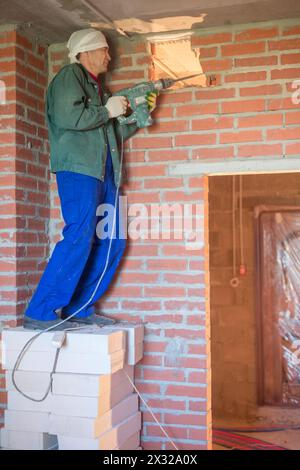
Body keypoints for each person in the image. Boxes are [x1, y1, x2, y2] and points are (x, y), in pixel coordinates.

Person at [24, 29, 158, 330]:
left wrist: (138, 114)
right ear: (85, 52)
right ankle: (40, 311)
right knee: (80, 235)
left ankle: (79, 308)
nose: (109, 56)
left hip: (105, 172)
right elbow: (67, 117)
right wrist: (106, 110)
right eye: (104, 50)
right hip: (79, 170)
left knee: (113, 240)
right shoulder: (70, 76)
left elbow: (114, 134)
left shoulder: (101, 91)